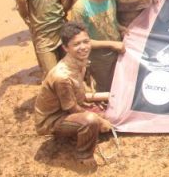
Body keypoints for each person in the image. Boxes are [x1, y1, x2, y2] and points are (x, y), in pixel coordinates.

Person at [34, 21, 112, 167]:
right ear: (65, 48)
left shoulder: (79, 63)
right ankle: (84, 155)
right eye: (76, 44)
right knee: (91, 120)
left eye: (86, 41)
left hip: (67, 109)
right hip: (51, 120)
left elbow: (79, 96)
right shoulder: (62, 77)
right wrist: (99, 120)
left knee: (108, 113)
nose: (83, 47)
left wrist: (107, 98)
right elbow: (72, 108)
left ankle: (76, 133)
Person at [67, 0, 125, 91]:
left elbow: (112, 20)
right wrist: (112, 44)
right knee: (104, 89)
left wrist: (121, 28)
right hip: (98, 60)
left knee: (120, 85)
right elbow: (81, 41)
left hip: (117, 53)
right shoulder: (80, 7)